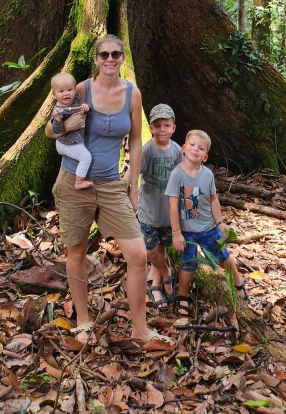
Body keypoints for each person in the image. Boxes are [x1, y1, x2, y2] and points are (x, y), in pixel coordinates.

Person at [45, 34, 163, 343]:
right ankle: (83, 321)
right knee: (77, 251)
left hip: (111, 183)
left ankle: (140, 329)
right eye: (104, 55)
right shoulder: (81, 89)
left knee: (137, 255)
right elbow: (50, 129)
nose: (110, 59)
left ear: (123, 58)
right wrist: (68, 125)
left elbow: (135, 141)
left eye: (116, 54)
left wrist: (133, 185)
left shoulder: (132, 94)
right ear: (96, 59)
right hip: (74, 182)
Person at [165, 128, 248, 323]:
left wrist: (220, 223)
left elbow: (213, 199)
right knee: (188, 266)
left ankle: (238, 283)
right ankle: (182, 296)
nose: (196, 149)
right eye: (192, 145)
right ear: (183, 148)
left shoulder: (207, 174)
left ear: (205, 156)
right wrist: (176, 233)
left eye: (201, 148)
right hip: (187, 232)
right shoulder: (177, 174)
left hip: (208, 228)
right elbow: (172, 204)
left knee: (224, 256)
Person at [138, 103, 183, 312]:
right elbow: (136, 171)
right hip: (149, 211)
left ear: (173, 128)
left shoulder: (177, 151)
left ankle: (156, 285)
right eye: (157, 126)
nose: (162, 129)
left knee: (162, 248)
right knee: (151, 251)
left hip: (168, 213)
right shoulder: (148, 150)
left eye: (166, 125)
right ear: (151, 128)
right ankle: (167, 273)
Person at [50, 71, 93, 189]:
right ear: (54, 94)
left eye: (70, 90)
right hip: (66, 143)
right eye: (61, 91)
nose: (66, 93)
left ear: (75, 90)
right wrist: (58, 119)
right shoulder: (58, 110)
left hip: (75, 140)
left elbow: (85, 108)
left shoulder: (76, 100)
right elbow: (57, 131)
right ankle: (79, 182)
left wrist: (86, 107)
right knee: (86, 157)